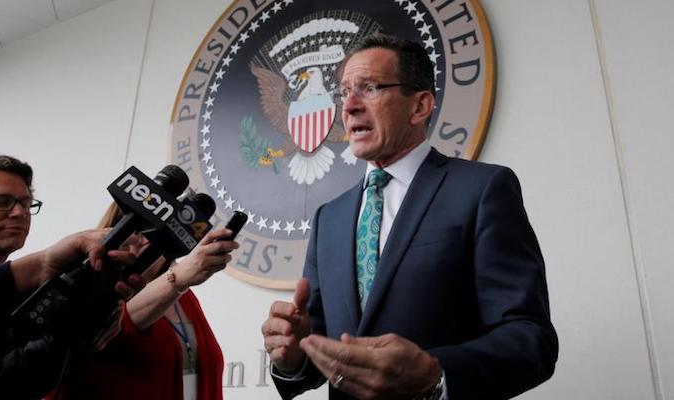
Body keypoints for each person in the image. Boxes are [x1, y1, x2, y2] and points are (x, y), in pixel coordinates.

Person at [261, 34, 558, 400]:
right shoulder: (329, 219)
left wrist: (435, 373)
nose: (348, 106)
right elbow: (320, 346)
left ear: (419, 106)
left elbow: (531, 339)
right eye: (343, 92)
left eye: (369, 88)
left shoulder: (482, 190)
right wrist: (293, 358)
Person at [0, 154, 141, 399]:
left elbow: (33, 381)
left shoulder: (27, 290)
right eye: (1, 201)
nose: (20, 212)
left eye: (26, 203)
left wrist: (91, 310)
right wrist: (43, 263)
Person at [51, 202, 239, 400]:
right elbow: (117, 324)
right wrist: (178, 279)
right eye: (137, 231)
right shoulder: (92, 284)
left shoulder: (184, 297)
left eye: (157, 231)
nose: (144, 242)